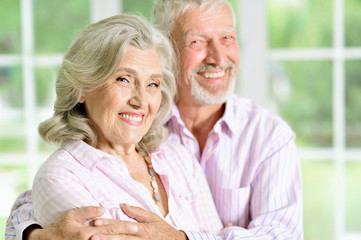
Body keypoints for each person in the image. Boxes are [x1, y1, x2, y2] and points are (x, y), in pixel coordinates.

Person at [6, 0, 304, 239]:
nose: (217, 57)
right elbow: (46, 193)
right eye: (197, 41)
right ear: (169, 50)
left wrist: (183, 239)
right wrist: (32, 234)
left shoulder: (264, 136)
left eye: (227, 37)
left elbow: (281, 235)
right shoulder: (138, 125)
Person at [5, 13, 224, 240]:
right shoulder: (60, 176)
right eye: (124, 79)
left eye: (152, 84)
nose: (140, 101)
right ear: (82, 87)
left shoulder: (178, 158)